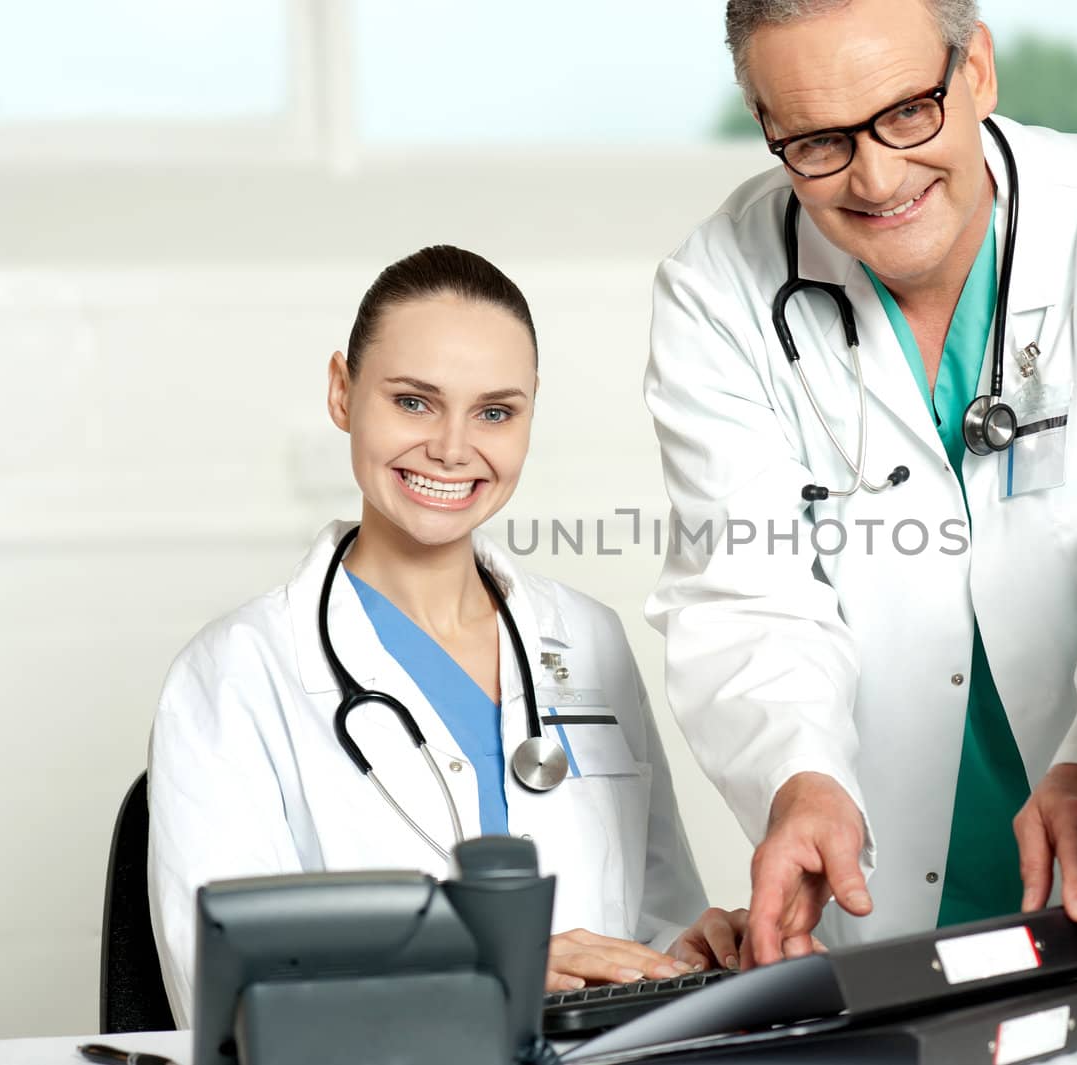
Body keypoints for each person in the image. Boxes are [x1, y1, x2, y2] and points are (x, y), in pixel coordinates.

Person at [645, 0, 1077, 971]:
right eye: (818, 141)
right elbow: (745, 590)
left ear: (976, 74)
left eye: (906, 113)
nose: (877, 177)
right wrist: (798, 778)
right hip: (885, 905)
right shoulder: (719, 288)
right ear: (767, 128)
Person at [148, 245, 745, 1026]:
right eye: (415, 401)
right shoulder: (234, 673)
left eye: (495, 411)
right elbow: (223, 993)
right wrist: (491, 968)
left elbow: (649, 922)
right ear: (342, 391)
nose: (454, 448)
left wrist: (693, 951)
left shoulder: (589, 641)